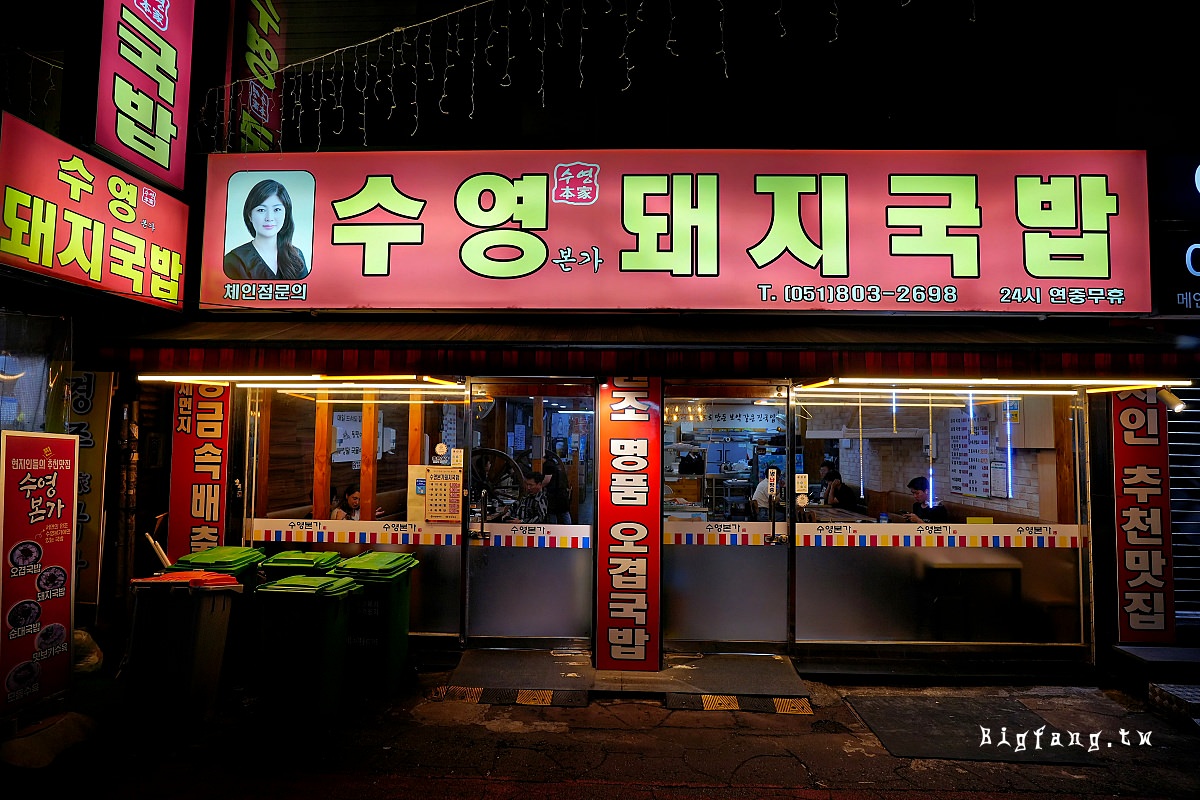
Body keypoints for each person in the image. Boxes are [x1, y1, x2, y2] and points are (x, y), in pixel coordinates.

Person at [223, 178, 310, 281]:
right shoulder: (234, 261)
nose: (269, 218)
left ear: (286, 214)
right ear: (250, 215)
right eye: (261, 210)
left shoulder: (296, 256)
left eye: (277, 209)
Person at [541, 449, 573, 524]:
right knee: (565, 513)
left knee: (553, 513)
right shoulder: (554, 464)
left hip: (555, 494)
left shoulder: (548, 465)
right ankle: (569, 529)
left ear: (543, 458)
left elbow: (547, 480)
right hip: (561, 492)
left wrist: (539, 487)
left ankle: (554, 529)